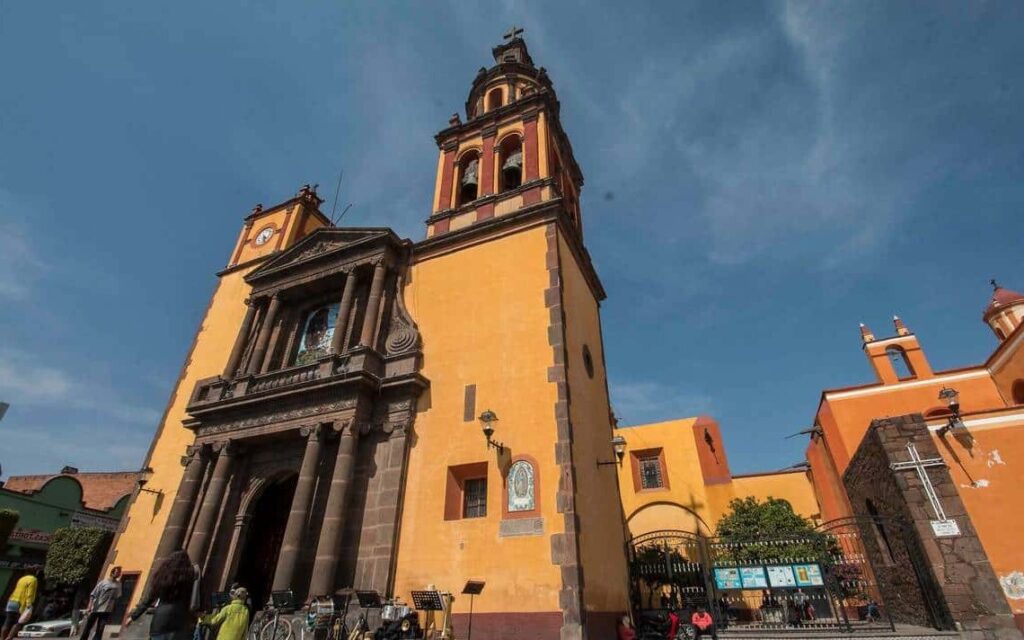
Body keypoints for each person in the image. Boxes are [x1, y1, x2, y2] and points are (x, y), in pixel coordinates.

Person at [125, 551, 197, 640]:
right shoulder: (190, 577)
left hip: (160, 622)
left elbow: (147, 600)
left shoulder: (162, 578)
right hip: (179, 622)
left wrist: (133, 616)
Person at [79, 566, 123, 640]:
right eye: (117, 572)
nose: (118, 574)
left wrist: (114, 607)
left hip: (107, 610)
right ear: (112, 573)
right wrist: (89, 606)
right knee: (88, 626)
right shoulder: (103, 583)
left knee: (100, 629)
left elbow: (117, 597)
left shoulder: (118, 584)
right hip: (97, 608)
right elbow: (93, 594)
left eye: (119, 573)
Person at [2, 569, 40, 640]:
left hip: (11, 601)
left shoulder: (21, 579)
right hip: (21, 603)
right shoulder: (33, 579)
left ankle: (2, 638)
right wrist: (29, 605)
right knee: (18, 622)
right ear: (36, 572)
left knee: (7, 621)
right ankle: (9, 638)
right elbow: (30, 593)